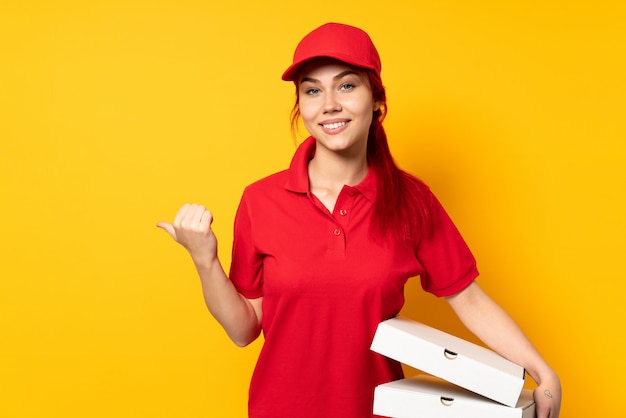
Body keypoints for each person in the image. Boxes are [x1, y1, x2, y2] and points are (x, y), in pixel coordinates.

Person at [158, 22, 561, 418]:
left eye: (346, 85)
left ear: (376, 100)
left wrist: (541, 371)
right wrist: (204, 260)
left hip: (379, 412)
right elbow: (243, 330)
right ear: (302, 106)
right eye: (313, 90)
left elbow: (469, 299)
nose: (329, 103)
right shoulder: (261, 200)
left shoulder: (412, 200)